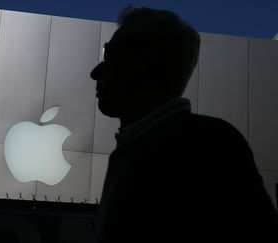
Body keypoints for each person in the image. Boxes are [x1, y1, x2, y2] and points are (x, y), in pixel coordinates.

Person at [90, 6, 278, 242]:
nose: (96, 72)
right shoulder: (134, 149)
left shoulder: (208, 146)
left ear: (146, 64)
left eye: (111, 56)